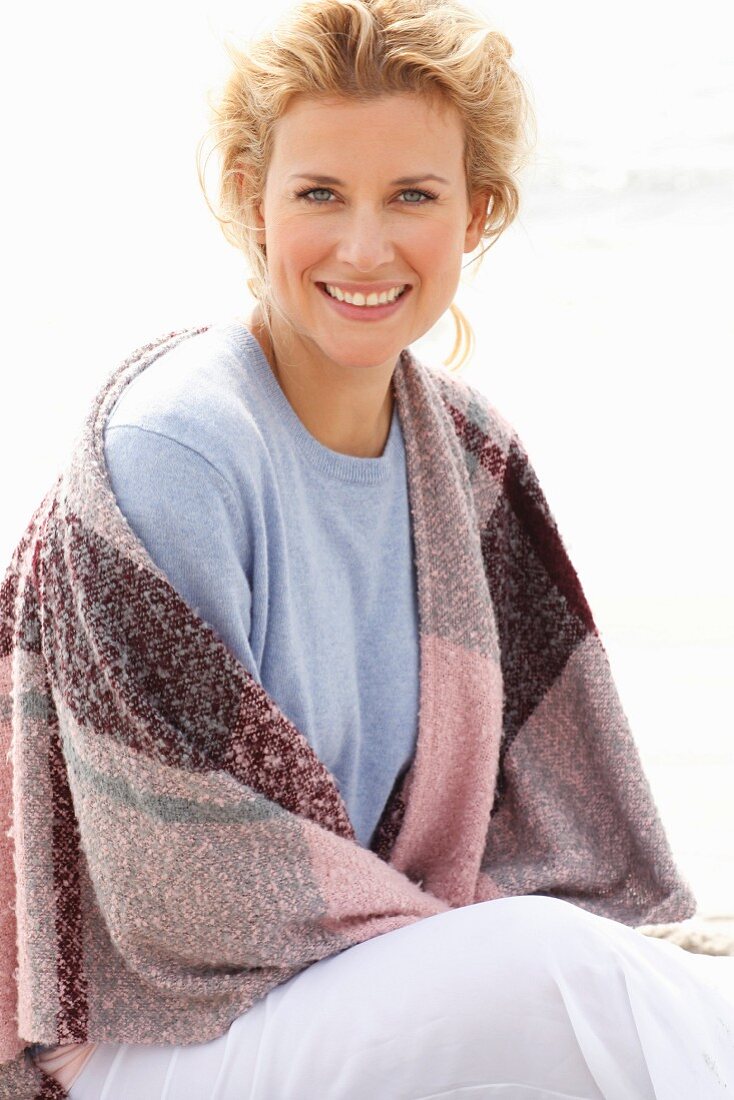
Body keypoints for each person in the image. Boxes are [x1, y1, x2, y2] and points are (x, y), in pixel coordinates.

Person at [26, 1, 734, 1097]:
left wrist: (448, 948)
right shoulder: (180, 447)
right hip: (153, 1031)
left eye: (412, 194)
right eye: (319, 193)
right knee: (557, 972)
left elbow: (552, 816)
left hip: (362, 978)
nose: (364, 247)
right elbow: (183, 893)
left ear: (476, 211)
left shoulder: (465, 451)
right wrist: (452, 947)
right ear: (247, 200)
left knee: (640, 994)